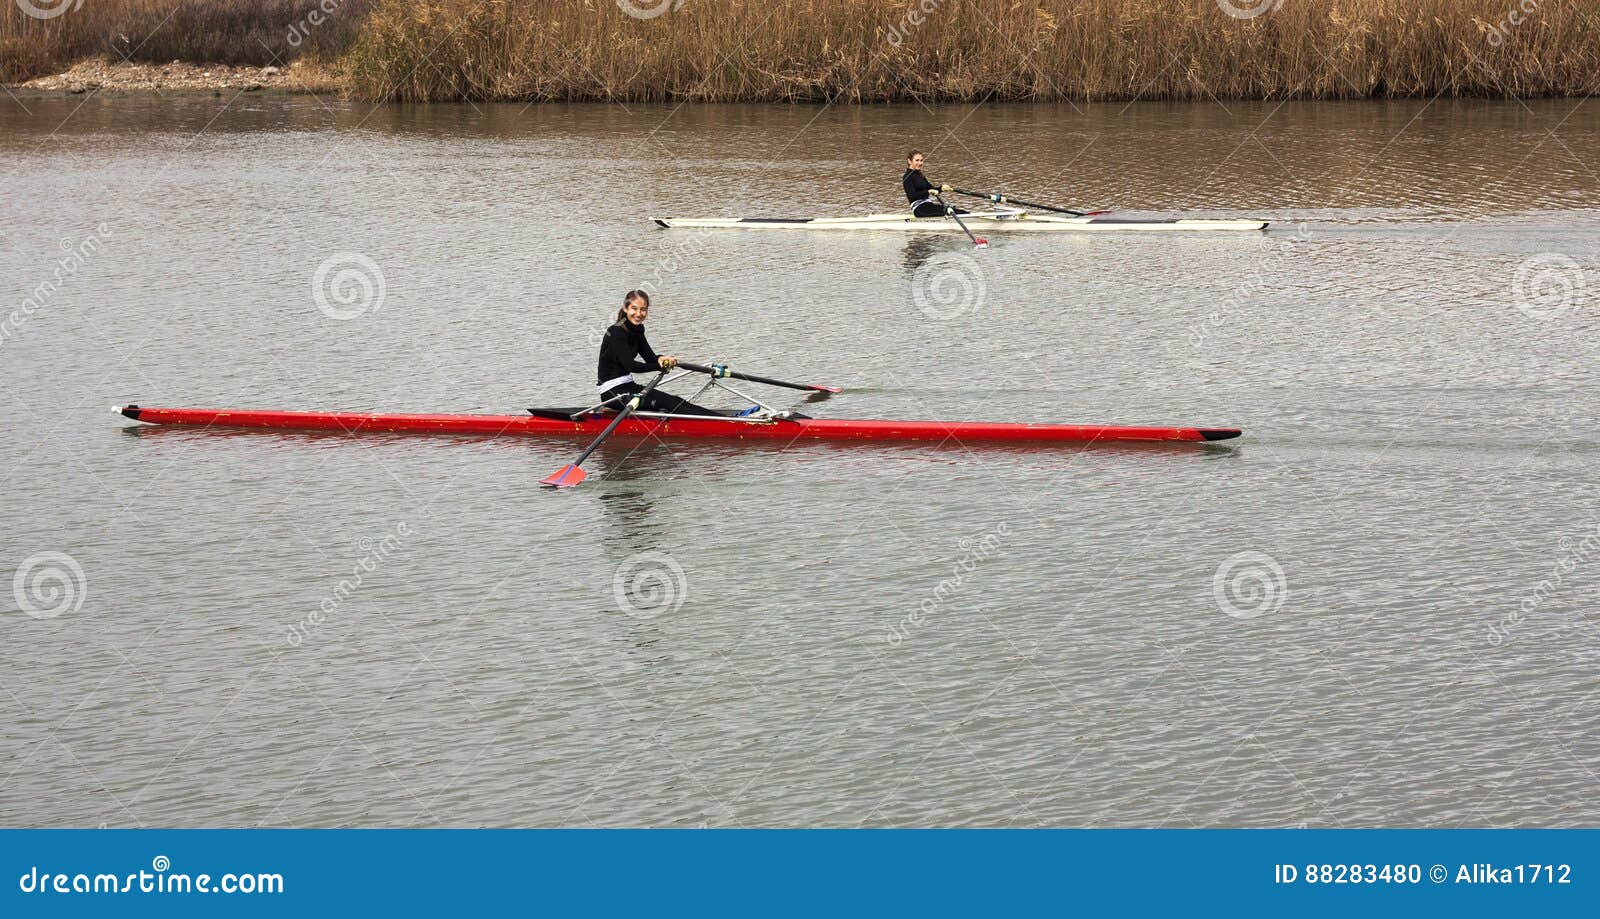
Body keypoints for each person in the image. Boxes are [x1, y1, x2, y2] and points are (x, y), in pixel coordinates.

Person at [595, 290, 716, 416]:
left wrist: (661, 359)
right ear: (625, 308)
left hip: (628, 386)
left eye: (643, 309)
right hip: (612, 393)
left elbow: (650, 358)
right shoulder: (616, 332)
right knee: (668, 404)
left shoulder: (638, 329)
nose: (638, 314)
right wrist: (659, 366)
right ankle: (724, 424)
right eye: (634, 308)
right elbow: (631, 366)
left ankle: (726, 420)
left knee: (675, 401)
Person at [902, 150, 967, 218]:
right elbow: (912, 196)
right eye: (917, 160)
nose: (920, 163)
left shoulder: (920, 175)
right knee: (951, 211)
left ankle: (967, 215)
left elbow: (932, 189)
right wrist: (928, 191)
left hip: (927, 205)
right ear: (909, 161)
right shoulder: (907, 177)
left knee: (959, 212)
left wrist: (941, 188)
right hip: (919, 209)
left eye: (921, 160)